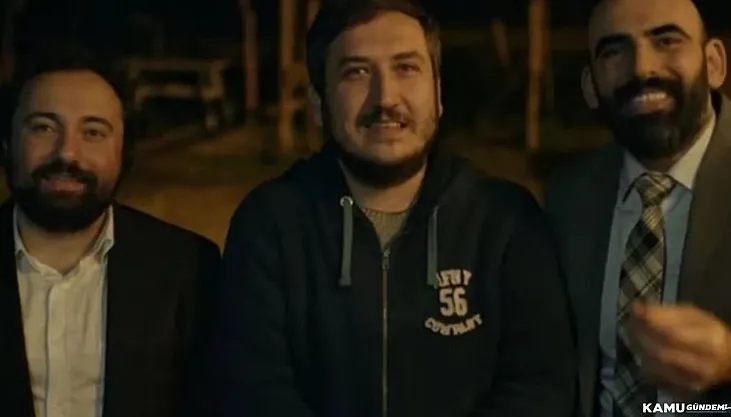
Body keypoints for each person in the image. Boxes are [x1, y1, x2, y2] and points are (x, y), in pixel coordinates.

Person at [201, 1, 576, 416]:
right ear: (318, 102)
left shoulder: (506, 221)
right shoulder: (270, 224)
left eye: (406, 68)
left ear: (438, 94)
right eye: (357, 72)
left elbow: (540, 388)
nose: (385, 97)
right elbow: (252, 391)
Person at [0, 46, 221, 417]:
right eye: (43, 127)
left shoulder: (188, 268)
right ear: (7, 143)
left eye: (93, 132)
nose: (67, 153)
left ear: (124, 153)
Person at [544, 0, 731, 416]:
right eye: (614, 51)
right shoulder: (567, 196)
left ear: (714, 63)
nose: (642, 69)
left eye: (666, 41)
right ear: (591, 86)